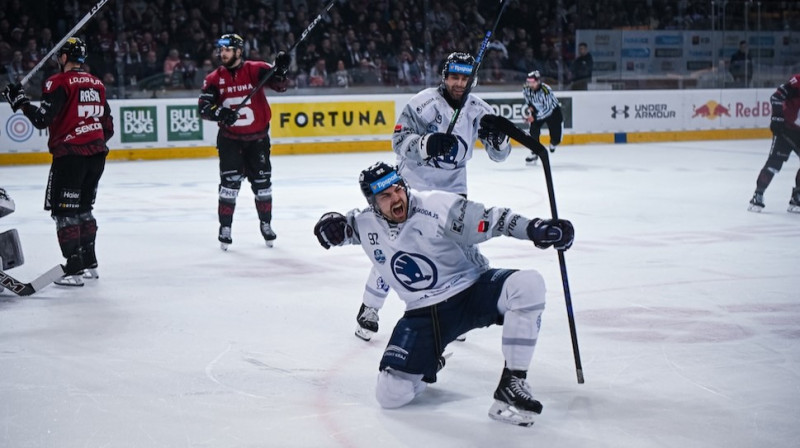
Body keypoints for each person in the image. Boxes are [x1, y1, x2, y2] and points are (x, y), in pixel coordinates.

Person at [313, 161, 574, 426]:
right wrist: (327, 225)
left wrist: (535, 228)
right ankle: (429, 362)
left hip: (472, 290)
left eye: (398, 189)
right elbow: (340, 228)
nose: (396, 198)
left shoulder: (436, 207)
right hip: (424, 314)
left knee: (528, 284)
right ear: (373, 204)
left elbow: (494, 219)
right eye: (385, 196)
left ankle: (513, 383)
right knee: (390, 394)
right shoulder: (366, 223)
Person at [351, 52, 513, 341]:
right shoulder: (423, 103)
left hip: (453, 192)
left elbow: (499, 155)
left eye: (465, 78)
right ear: (444, 77)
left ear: (473, 80)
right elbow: (399, 140)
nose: (459, 83)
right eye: (454, 77)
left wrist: (499, 140)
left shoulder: (479, 110)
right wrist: (426, 144)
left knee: (458, 253)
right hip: (411, 188)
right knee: (396, 248)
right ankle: (370, 307)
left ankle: (456, 311)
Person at [1, 37, 114, 286]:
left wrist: (20, 102)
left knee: (64, 212)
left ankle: (74, 268)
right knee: (84, 209)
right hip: (96, 155)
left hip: (70, 156)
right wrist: (89, 139)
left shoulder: (58, 82)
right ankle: (90, 262)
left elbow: (42, 119)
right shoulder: (96, 83)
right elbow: (108, 127)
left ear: (64, 57)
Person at [198, 33, 291, 250]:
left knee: (263, 185)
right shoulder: (214, 78)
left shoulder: (256, 69)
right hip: (230, 141)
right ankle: (225, 227)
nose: (223, 53)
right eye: (221, 50)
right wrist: (221, 113)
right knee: (229, 186)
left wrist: (282, 69)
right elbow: (203, 108)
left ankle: (266, 224)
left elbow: (280, 85)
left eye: (227, 50)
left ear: (239, 51)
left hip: (258, 141)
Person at [748, 73, 800, 213]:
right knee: (773, 164)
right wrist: (777, 117)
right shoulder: (797, 81)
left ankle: (797, 196)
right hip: (785, 130)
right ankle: (758, 195)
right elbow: (776, 97)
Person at [523, 70, 563, 165]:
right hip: (538, 111)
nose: (530, 84)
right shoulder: (526, 89)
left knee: (556, 138)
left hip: (553, 113)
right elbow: (528, 100)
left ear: (538, 81)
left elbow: (548, 109)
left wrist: (535, 118)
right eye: (529, 82)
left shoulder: (546, 90)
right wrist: (530, 108)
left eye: (532, 82)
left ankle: (553, 143)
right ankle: (534, 152)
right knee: (533, 130)